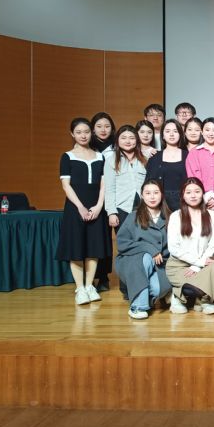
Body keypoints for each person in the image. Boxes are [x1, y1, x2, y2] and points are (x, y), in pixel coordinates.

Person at [56, 117, 110, 306]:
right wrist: (79, 206)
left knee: (93, 248)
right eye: (78, 132)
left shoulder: (100, 156)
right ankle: (80, 288)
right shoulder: (67, 156)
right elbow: (66, 185)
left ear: (91, 133)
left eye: (86, 132)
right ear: (72, 134)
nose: (83, 135)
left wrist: (99, 206)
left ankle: (89, 286)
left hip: (96, 207)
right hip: (75, 207)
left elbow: (104, 184)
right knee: (76, 248)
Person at [166, 178, 214, 315]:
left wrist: (198, 265)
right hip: (178, 265)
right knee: (195, 287)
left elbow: (213, 244)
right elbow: (173, 248)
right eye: (188, 192)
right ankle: (178, 295)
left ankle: (203, 300)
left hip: (203, 264)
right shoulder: (176, 216)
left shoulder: (211, 215)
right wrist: (197, 262)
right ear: (183, 195)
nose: (193, 195)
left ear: (202, 194)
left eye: (197, 192)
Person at [115, 180, 172, 320]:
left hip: (160, 264)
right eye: (148, 193)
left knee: (158, 289)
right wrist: (149, 249)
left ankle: (144, 297)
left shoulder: (170, 217)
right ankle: (137, 307)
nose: (152, 197)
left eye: (156, 192)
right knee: (145, 257)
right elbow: (122, 243)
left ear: (162, 195)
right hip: (132, 260)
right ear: (142, 196)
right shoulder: (133, 216)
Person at [185, 117, 214, 274]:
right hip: (201, 206)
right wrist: (205, 199)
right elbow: (193, 179)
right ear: (202, 132)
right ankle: (204, 279)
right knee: (203, 244)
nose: (210, 133)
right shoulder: (194, 154)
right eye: (207, 130)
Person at [91, 111, 117, 291]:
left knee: (107, 238)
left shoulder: (117, 146)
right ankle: (90, 275)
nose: (103, 130)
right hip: (92, 196)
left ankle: (103, 276)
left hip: (112, 195)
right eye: (99, 126)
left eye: (107, 126)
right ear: (93, 129)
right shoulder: (87, 147)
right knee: (95, 237)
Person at [104, 125, 147, 229]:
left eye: (131, 138)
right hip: (122, 208)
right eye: (123, 138)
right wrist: (111, 212)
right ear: (117, 140)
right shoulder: (111, 160)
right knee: (124, 239)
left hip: (143, 207)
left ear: (137, 140)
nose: (128, 141)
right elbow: (109, 189)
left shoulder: (145, 159)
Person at [145, 119, 188, 211]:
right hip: (160, 204)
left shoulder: (188, 156)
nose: (171, 134)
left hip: (184, 203)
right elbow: (148, 183)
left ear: (180, 134)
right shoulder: (154, 157)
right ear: (163, 136)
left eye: (175, 131)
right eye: (167, 131)